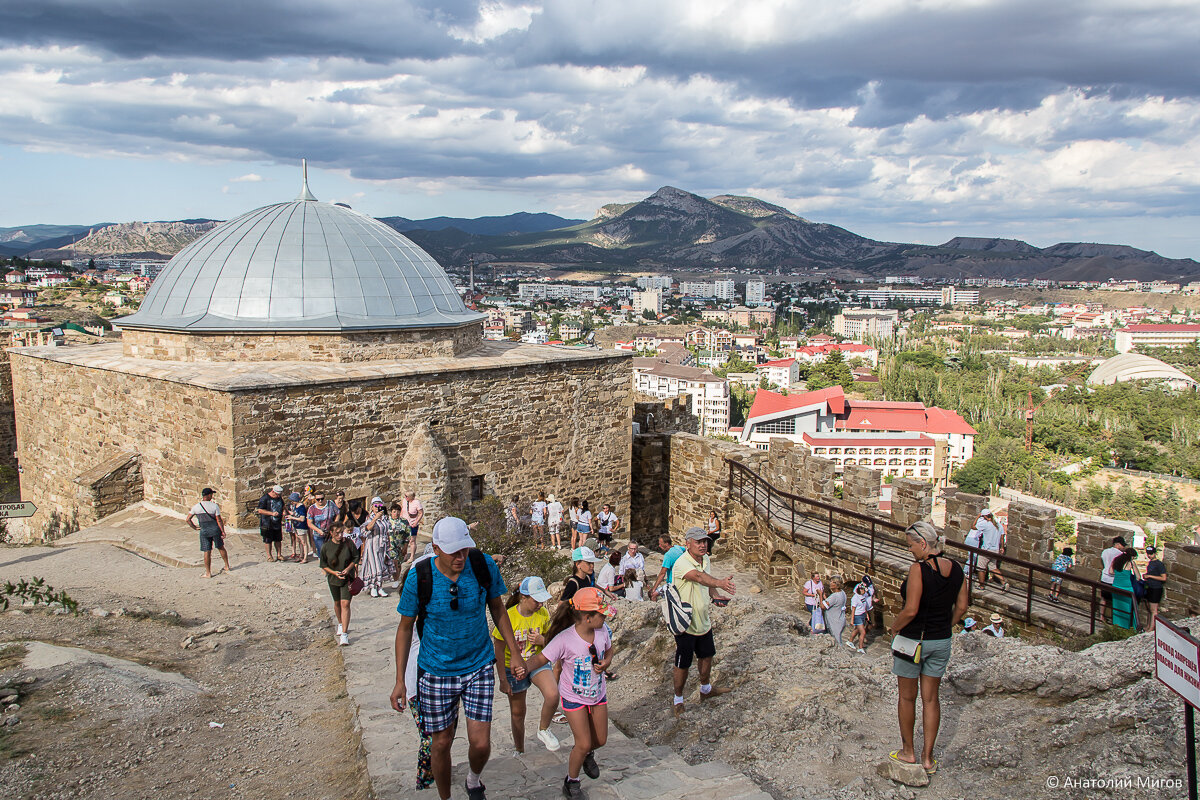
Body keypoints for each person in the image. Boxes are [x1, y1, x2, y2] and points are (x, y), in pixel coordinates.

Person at [390, 517, 525, 800]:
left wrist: (514, 654)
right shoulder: (420, 577)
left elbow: (498, 609)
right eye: (454, 552)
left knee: (481, 743)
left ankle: (473, 779)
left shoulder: (482, 565)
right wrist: (400, 680)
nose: (461, 557)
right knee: (440, 743)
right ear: (437, 548)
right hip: (436, 670)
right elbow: (405, 628)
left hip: (478, 664)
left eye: (465, 549)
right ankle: (445, 797)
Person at [887, 520, 968, 776]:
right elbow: (963, 607)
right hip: (941, 640)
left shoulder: (918, 570)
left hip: (914, 641)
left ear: (923, 543)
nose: (910, 550)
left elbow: (911, 609)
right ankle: (928, 759)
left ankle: (908, 752)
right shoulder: (957, 569)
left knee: (907, 697)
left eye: (911, 545)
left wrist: (895, 628)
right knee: (931, 699)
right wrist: (944, 626)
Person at [526, 587, 615, 800]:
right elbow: (542, 659)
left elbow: (610, 650)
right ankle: (571, 782)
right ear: (587, 618)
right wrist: (522, 668)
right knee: (582, 743)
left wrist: (606, 662)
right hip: (573, 697)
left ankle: (586, 755)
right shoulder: (565, 639)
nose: (605, 617)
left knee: (600, 740)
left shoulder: (603, 631)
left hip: (597, 694)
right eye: (601, 614)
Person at [493, 577, 561, 755]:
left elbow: (552, 643)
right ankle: (519, 748)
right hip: (513, 668)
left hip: (536, 661)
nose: (540, 604)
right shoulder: (508, 617)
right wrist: (502, 679)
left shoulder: (543, 614)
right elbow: (498, 650)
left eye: (542, 600)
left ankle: (544, 729)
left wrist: (542, 640)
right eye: (536, 600)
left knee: (553, 694)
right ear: (523, 597)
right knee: (518, 712)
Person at [671, 528, 735, 717]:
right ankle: (678, 700)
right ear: (688, 544)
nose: (703, 545)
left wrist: (715, 596)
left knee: (707, 656)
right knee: (683, 664)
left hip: (702, 620)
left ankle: (706, 690)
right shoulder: (682, 563)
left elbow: (704, 583)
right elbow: (698, 577)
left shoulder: (705, 560)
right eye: (698, 542)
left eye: (705, 542)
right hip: (685, 623)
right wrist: (720, 583)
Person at [320, 520, 359, 646]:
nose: (340, 535)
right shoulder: (326, 547)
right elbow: (323, 564)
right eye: (337, 533)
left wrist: (348, 569)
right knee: (337, 603)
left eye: (341, 533)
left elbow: (355, 557)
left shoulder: (348, 543)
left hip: (347, 579)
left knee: (345, 603)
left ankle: (344, 634)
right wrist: (334, 573)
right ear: (331, 533)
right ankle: (340, 622)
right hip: (333, 579)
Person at [186, 487, 230, 578]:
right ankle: (226, 566)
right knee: (221, 547)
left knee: (207, 551)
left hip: (204, 530)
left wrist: (194, 527)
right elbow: (219, 520)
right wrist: (223, 531)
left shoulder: (196, 507)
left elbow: (188, 519)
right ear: (209, 495)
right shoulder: (214, 506)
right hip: (215, 529)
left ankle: (208, 573)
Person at [359, 497, 392, 597]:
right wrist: (375, 518)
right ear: (372, 507)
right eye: (375, 506)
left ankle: (380, 587)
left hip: (383, 545)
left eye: (380, 505)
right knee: (374, 566)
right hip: (372, 544)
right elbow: (367, 528)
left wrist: (389, 544)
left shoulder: (385, 518)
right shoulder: (370, 518)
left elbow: (387, 531)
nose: (378, 507)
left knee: (381, 565)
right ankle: (373, 587)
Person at [973, 509, 1009, 591]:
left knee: (981, 567)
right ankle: (1004, 582)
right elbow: (1002, 537)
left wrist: (978, 516)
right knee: (992, 567)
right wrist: (1002, 547)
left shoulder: (986, 524)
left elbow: (973, 527)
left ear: (984, 516)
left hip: (986, 550)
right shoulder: (998, 525)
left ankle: (981, 585)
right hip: (995, 550)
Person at [1111, 549, 1140, 630]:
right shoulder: (1130, 563)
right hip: (1127, 587)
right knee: (1129, 608)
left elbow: (1111, 572)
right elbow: (1138, 577)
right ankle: (1128, 627)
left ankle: (1117, 626)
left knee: (1117, 607)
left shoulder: (1116, 560)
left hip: (1116, 586)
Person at [650, 534, 686, 599]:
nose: (659, 546)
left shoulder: (668, 555)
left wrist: (654, 588)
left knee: (653, 594)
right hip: (682, 580)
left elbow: (662, 573)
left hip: (672, 583)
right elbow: (685, 550)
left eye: (661, 544)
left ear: (666, 544)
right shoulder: (677, 548)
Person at [1100, 536, 1128, 622]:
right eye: (1122, 545)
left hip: (1104, 577)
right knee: (1114, 600)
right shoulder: (1120, 555)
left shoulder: (1105, 551)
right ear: (1118, 544)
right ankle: (1114, 619)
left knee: (1103, 598)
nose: (1123, 547)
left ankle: (1101, 616)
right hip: (1113, 579)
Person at [256, 484, 285, 562]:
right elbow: (260, 510)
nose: (278, 496)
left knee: (278, 539)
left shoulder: (279, 498)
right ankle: (269, 556)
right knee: (268, 540)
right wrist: (271, 513)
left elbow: (283, 506)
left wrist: (285, 512)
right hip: (267, 523)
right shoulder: (265, 499)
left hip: (277, 523)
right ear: (273, 492)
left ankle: (279, 554)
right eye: (277, 494)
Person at [386, 502, 412, 583]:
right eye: (394, 512)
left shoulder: (404, 521)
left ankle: (397, 577)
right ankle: (395, 579)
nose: (396, 514)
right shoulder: (387, 521)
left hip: (400, 545)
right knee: (394, 562)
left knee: (399, 563)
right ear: (391, 512)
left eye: (398, 512)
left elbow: (408, 534)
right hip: (390, 546)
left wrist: (405, 546)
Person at [307, 490, 336, 558]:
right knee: (322, 552)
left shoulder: (330, 504)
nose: (320, 501)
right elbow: (309, 523)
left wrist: (334, 524)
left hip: (330, 532)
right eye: (318, 499)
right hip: (318, 534)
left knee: (331, 552)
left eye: (322, 499)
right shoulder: (312, 508)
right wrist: (318, 530)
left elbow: (338, 513)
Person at [1145, 545, 1167, 631]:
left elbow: (1163, 578)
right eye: (1148, 554)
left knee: (1153, 609)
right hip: (1150, 586)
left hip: (1156, 588)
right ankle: (1148, 626)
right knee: (1150, 608)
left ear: (1155, 553)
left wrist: (1150, 576)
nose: (1149, 555)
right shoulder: (1151, 563)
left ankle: (1151, 627)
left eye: (1151, 554)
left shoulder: (1159, 564)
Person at [822, 576, 847, 647]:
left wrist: (820, 595)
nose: (830, 583)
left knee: (837, 642)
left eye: (832, 582)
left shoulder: (835, 596)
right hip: (840, 619)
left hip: (834, 621)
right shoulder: (842, 593)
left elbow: (823, 606)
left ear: (836, 585)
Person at [286, 491, 310, 563]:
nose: (291, 502)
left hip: (301, 527)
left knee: (304, 542)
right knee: (299, 541)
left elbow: (302, 518)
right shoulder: (296, 506)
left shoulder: (301, 507)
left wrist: (292, 518)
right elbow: (295, 514)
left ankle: (305, 557)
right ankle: (301, 555)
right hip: (297, 526)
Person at [848, 582, 870, 653]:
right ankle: (860, 647)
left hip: (862, 614)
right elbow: (853, 609)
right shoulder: (855, 598)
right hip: (857, 616)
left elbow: (864, 606)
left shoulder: (863, 596)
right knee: (863, 632)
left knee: (857, 630)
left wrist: (867, 615)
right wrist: (852, 620)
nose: (864, 591)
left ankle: (850, 641)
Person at [402, 491, 425, 560]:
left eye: (407, 496)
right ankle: (404, 555)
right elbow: (402, 509)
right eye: (405, 496)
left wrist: (416, 522)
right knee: (404, 541)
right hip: (404, 523)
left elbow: (421, 513)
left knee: (412, 540)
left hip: (412, 524)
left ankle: (412, 556)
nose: (405, 497)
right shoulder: (404, 501)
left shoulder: (416, 503)